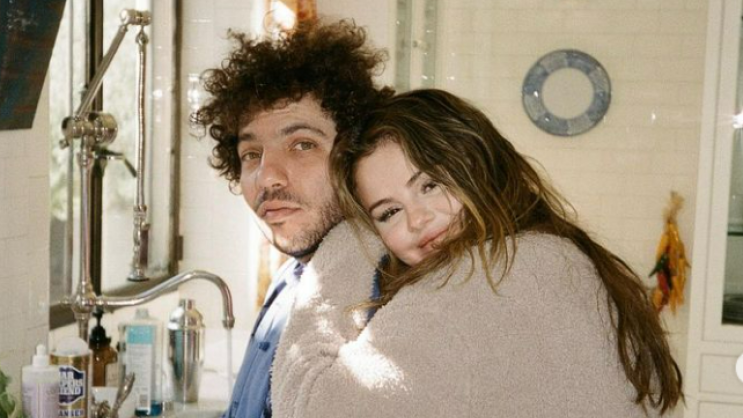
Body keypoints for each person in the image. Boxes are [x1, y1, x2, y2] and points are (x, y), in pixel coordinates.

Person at [271, 89, 683, 417]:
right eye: (388, 212)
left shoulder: (471, 284)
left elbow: (306, 406)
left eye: (430, 185)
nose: (418, 219)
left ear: (477, 163)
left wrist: (345, 239)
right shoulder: (560, 257)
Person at [192, 20, 393, 418]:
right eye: (251, 154)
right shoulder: (291, 279)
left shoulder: (381, 295)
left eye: (302, 145)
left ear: (355, 156)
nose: (267, 176)